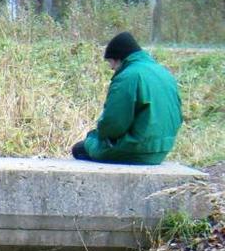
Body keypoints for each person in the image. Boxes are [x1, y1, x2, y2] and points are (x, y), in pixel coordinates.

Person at [72, 32, 182, 165]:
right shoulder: (163, 73)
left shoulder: (127, 77)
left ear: (119, 58)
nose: (111, 67)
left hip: (136, 151)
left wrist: (97, 134)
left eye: (110, 62)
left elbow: (113, 125)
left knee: (80, 148)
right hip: (161, 149)